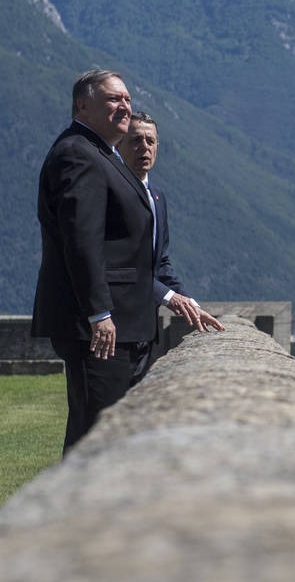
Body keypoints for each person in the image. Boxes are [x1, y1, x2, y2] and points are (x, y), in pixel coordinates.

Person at [31, 70, 156, 452]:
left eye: (128, 99)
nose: (125, 106)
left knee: (101, 433)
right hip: (101, 330)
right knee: (95, 438)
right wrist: (99, 313)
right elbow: (81, 240)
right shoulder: (78, 154)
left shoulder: (101, 153)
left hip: (122, 325)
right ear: (83, 105)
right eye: (114, 99)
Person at [117, 111, 224, 349]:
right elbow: (116, 263)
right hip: (113, 326)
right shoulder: (109, 193)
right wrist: (168, 297)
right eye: (135, 140)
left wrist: (191, 305)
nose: (144, 147)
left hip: (144, 328)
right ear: (118, 145)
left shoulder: (157, 197)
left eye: (150, 141)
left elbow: (160, 263)